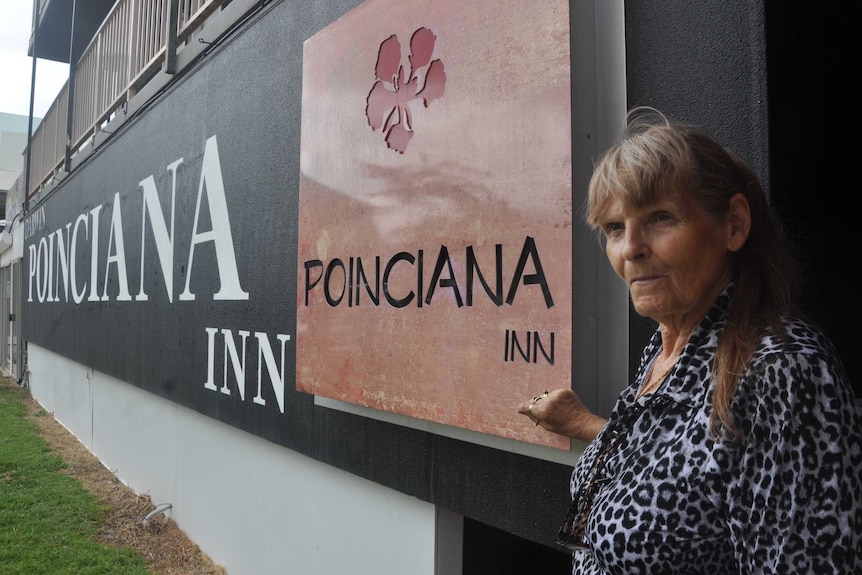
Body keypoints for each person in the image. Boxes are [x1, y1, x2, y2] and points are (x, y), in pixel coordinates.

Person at [518, 108, 862, 574]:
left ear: (734, 225)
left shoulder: (781, 371)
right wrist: (582, 423)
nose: (630, 248)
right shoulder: (667, 351)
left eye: (660, 217)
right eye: (615, 228)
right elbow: (685, 468)